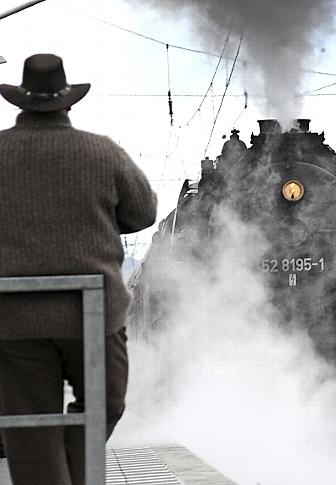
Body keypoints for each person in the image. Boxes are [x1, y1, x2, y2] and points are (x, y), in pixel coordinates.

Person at [0, 54, 157, 484]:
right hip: (93, 316)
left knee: (31, 421)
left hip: (12, 320)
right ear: (68, 103)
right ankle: (76, 472)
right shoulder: (101, 151)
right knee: (104, 405)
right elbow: (143, 212)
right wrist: (98, 221)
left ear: (21, 103)